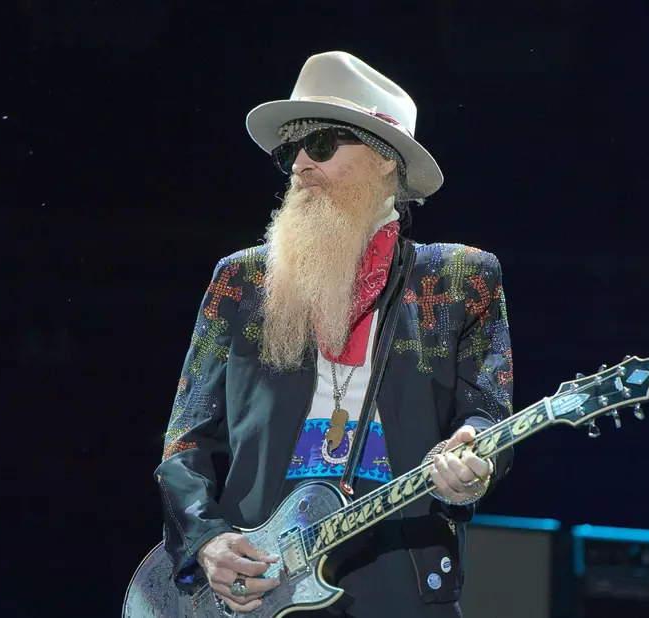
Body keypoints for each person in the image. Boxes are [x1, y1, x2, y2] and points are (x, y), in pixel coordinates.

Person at [155, 51, 515, 617]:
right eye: (289, 153)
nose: (299, 165)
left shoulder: (461, 278)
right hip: (262, 573)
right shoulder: (242, 280)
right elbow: (186, 441)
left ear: (385, 161)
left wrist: (472, 467)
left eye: (319, 146)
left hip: (402, 563)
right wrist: (206, 540)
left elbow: (489, 414)